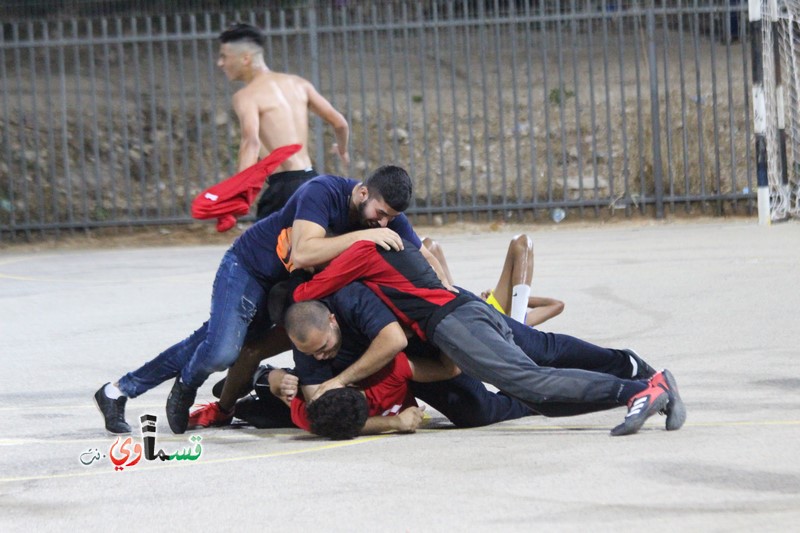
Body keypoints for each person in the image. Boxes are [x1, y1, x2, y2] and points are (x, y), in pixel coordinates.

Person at [93, 166, 446, 435]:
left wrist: (451, 300)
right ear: (363, 192)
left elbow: (421, 258)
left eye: (390, 218)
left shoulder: (385, 221)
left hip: (287, 293)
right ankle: (186, 385)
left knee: (211, 341)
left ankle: (117, 390)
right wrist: (369, 236)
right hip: (249, 270)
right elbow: (304, 252)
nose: (383, 223)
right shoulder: (323, 191)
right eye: (379, 213)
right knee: (221, 351)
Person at [289, 239, 687, 437]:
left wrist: (337, 381)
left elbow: (305, 289)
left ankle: (639, 390)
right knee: (538, 394)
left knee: (531, 378)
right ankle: (643, 383)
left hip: (452, 323)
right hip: (460, 313)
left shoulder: (360, 254)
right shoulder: (373, 259)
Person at [216, 22, 350, 220]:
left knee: (261, 250)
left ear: (245, 58)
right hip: (312, 182)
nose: (220, 63)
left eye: (224, 57)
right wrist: (342, 149)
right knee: (308, 248)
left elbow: (250, 142)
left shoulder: (247, 96)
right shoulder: (299, 84)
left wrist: (237, 195)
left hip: (284, 189)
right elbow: (340, 123)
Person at [423, 234, 564, 327]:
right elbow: (557, 305)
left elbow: (557, 305)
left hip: (474, 317)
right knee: (429, 244)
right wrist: (512, 298)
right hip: (497, 311)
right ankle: (519, 327)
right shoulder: (520, 315)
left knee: (426, 246)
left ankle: (517, 330)